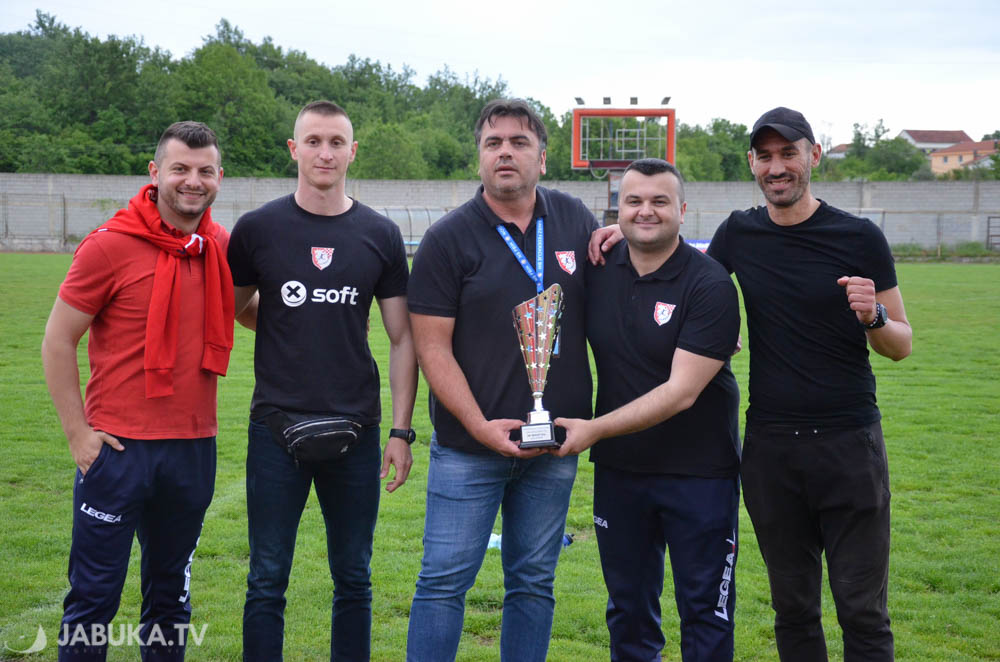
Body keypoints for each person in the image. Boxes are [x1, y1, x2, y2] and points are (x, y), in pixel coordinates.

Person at [707, 107, 912, 662]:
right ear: (752, 163)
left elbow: (901, 343)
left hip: (849, 446)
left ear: (813, 155)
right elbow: (686, 277)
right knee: (793, 609)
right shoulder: (738, 233)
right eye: (765, 156)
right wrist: (623, 232)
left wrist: (872, 316)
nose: (777, 167)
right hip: (771, 449)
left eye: (788, 153)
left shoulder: (859, 236)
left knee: (862, 611)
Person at [405, 98, 598, 662]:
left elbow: (623, 301)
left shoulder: (576, 220)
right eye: (493, 143)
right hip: (469, 449)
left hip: (554, 445)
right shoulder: (448, 238)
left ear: (543, 156)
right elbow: (431, 347)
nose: (505, 153)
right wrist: (477, 425)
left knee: (534, 583)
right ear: (479, 157)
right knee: (443, 583)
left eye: (519, 142)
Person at [227, 100, 417, 662]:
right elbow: (230, 309)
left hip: (356, 429)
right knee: (266, 577)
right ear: (294, 149)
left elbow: (403, 338)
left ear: (352, 152)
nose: (325, 153)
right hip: (274, 427)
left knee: (354, 577)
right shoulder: (258, 229)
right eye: (313, 141)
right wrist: (288, 321)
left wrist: (400, 431)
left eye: (336, 142)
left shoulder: (380, 234)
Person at [41, 121, 232, 661]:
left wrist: (323, 317)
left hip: (193, 448)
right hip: (117, 450)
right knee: (93, 599)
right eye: (180, 169)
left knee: (171, 601)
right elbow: (57, 341)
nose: (192, 181)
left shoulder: (220, 246)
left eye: (205, 171)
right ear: (155, 172)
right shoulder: (109, 245)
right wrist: (78, 436)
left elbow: (246, 311)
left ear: (219, 177)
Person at [555, 158, 741, 662]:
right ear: (617, 209)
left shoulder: (710, 284)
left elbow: (681, 392)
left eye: (660, 201)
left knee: (705, 613)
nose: (646, 211)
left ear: (682, 210)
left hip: (700, 473)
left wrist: (594, 428)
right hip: (622, 471)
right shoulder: (596, 269)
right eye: (633, 201)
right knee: (628, 612)